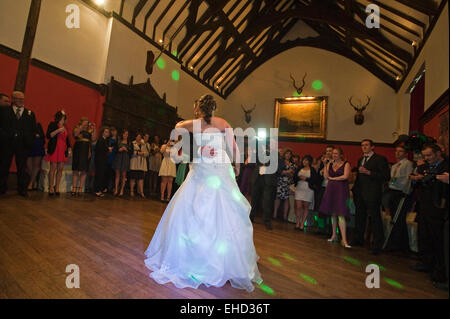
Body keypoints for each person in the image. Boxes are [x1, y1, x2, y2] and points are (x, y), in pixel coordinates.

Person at [144, 94, 262, 292]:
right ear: (213, 109)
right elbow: (233, 148)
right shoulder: (223, 122)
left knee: (193, 206)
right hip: (220, 167)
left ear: (199, 108)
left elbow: (177, 125)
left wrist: (198, 146)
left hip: (203, 167)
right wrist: (238, 166)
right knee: (225, 209)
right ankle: (225, 260)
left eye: (196, 107)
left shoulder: (193, 123)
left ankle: (192, 257)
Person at [409, 144, 449, 286]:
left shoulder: (446, 166)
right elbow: (418, 184)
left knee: (437, 239)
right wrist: (416, 179)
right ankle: (426, 263)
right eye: (425, 156)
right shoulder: (423, 167)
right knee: (424, 236)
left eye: (429, 155)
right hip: (424, 206)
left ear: (438, 153)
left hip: (439, 208)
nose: (427, 159)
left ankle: (440, 269)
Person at [351, 139, 390, 255]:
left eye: (366, 145)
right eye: (362, 145)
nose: (364, 147)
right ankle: (359, 239)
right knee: (360, 217)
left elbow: (386, 176)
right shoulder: (361, 159)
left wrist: (369, 172)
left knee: (375, 218)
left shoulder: (380, 159)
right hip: (360, 193)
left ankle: (377, 244)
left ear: (372, 147)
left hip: (373, 193)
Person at [0, 91, 37, 197]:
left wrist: (28, 142)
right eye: (19, 99)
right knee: (4, 166)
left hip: (22, 145)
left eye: (22, 99)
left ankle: (22, 189)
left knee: (22, 167)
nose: (21, 101)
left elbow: (32, 130)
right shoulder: (4, 111)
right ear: (13, 99)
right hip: (7, 144)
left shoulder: (29, 113)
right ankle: (2, 188)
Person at [381, 145, 413, 252]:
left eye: (400, 151)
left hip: (402, 193)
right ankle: (396, 242)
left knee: (399, 218)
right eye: (396, 151)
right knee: (394, 216)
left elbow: (408, 179)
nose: (397, 153)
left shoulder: (408, 164)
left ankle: (399, 244)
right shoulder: (394, 166)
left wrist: (406, 192)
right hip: (393, 192)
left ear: (405, 153)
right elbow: (392, 180)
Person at [319, 147, 352, 248]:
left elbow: (345, 176)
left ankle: (344, 239)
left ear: (341, 155)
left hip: (341, 190)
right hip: (331, 189)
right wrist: (325, 164)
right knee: (333, 213)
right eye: (333, 153)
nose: (334, 155)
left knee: (341, 214)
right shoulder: (330, 164)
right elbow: (325, 176)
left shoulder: (346, 164)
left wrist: (333, 178)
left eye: (336, 153)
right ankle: (334, 235)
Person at [249, 138, 280, 230]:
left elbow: (273, 164)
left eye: (273, 143)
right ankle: (251, 217)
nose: (271, 144)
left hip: (268, 179)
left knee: (266, 201)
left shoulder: (276, 154)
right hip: (257, 178)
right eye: (270, 143)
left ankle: (267, 221)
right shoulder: (259, 151)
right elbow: (254, 160)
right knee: (254, 199)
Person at [45, 111, 71, 195]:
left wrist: (69, 148)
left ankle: (57, 187)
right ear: (59, 118)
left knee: (60, 169)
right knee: (53, 168)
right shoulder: (53, 124)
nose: (65, 120)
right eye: (63, 118)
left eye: (65, 118)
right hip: (55, 148)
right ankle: (51, 187)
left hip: (62, 150)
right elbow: (49, 135)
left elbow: (67, 140)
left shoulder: (65, 127)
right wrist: (58, 130)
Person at [294, 155, 320, 231]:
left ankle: (302, 223)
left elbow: (315, 180)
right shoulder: (299, 168)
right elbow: (294, 177)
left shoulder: (312, 169)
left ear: (310, 162)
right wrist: (299, 178)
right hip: (299, 188)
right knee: (298, 206)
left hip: (308, 190)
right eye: (304, 160)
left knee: (306, 207)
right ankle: (297, 222)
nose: (304, 162)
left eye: (306, 160)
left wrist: (306, 179)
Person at [71, 117, 95, 196]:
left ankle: (80, 188)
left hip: (86, 151)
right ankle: (74, 188)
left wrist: (94, 129)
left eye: (87, 123)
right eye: (85, 122)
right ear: (81, 122)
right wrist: (81, 127)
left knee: (84, 170)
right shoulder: (77, 128)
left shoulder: (89, 130)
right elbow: (75, 135)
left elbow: (94, 139)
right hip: (78, 149)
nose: (86, 124)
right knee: (76, 169)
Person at [273, 149, 295, 221]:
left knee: (286, 199)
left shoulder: (292, 164)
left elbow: (292, 175)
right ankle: (275, 214)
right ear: (284, 154)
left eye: (289, 154)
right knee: (278, 198)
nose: (288, 155)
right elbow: (280, 172)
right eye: (287, 153)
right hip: (280, 182)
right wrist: (288, 172)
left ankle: (285, 216)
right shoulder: (280, 162)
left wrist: (287, 173)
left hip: (288, 183)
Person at [129, 132, 148, 198]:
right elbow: (130, 152)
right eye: (138, 137)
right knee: (133, 178)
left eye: (140, 137)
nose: (139, 138)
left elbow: (147, 153)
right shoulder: (132, 143)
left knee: (141, 179)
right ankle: (131, 191)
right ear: (135, 137)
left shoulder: (144, 144)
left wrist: (143, 153)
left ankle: (141, 192)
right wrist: (137, 153)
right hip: (134, 163)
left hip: (141, 164)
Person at [27, 122, 45, 191]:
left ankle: (31, 183)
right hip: (28, 146)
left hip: (38, 146)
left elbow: (42, 136)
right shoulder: (25, 125)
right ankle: (34, 181)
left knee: (36, 165)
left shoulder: (37, 125)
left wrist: (38, 135)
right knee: (29, 165)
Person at [93, 127, 111, 197]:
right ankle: (97, 190)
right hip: (99, 160)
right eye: (106, 132)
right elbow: (99, 150)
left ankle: (98, 189)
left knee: (101, 175)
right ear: (103, 132)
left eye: (108, 132)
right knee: (99, 175)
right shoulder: (101, 140)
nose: (107, 133)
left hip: (103, 160)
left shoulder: (105, 140)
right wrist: (107, 149)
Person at [112, 129, 130, 197]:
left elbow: (131, 152)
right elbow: (114, 149)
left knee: (124, 176)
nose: (126, 135)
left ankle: (122, 190)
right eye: (125, 134)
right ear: (122, 134)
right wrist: (119, 149)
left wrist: (126, 150)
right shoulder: (118, 141)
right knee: (117, 175)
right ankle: (116, 189)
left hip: (125, 159)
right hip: (118, 159)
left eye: (127, 134)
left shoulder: (129, 142)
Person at [106, 127, 118, 192]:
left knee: (113, 175)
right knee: (107, 174)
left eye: (115, 131)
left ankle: (112, 188)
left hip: (115, 159)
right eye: (112, 131)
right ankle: (106, 187)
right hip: (108, 158)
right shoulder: (108, 139)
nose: (113, 132)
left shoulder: (118, 140)